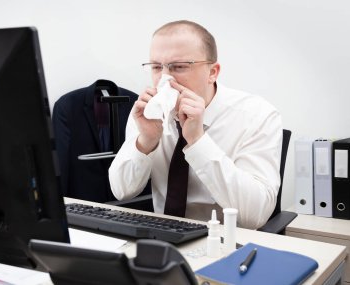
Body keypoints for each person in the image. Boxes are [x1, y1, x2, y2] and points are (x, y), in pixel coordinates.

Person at [109, 20, 282, 229]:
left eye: (179, 67)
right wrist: (145, 141)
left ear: (212, 72)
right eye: (156, 67)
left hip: (226, 242)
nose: (165, 79)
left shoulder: (256, 115)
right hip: (162, 239)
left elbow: (255, 215)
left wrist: (198, 141)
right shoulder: (149, 112)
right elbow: (122, 190)